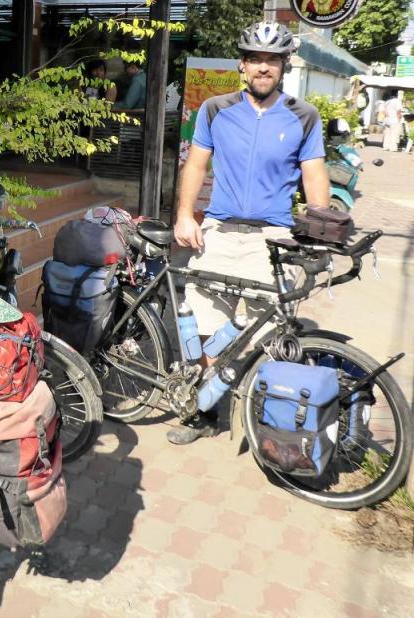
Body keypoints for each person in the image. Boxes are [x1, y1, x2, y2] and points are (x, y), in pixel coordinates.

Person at [171, 20, 330, 445]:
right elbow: (196, 164)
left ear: (284, 66)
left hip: (272, 238)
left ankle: (257, 417)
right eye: (255, 59)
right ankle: (203, 412)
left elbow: (314, 177)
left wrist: (321, 232)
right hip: (219, 231)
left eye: (272, 60)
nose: (263, 67)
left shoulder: (303, 115)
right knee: (206, 327)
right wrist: (186, 215)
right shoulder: (215, 109)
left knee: (259, 332)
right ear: (242, 65)